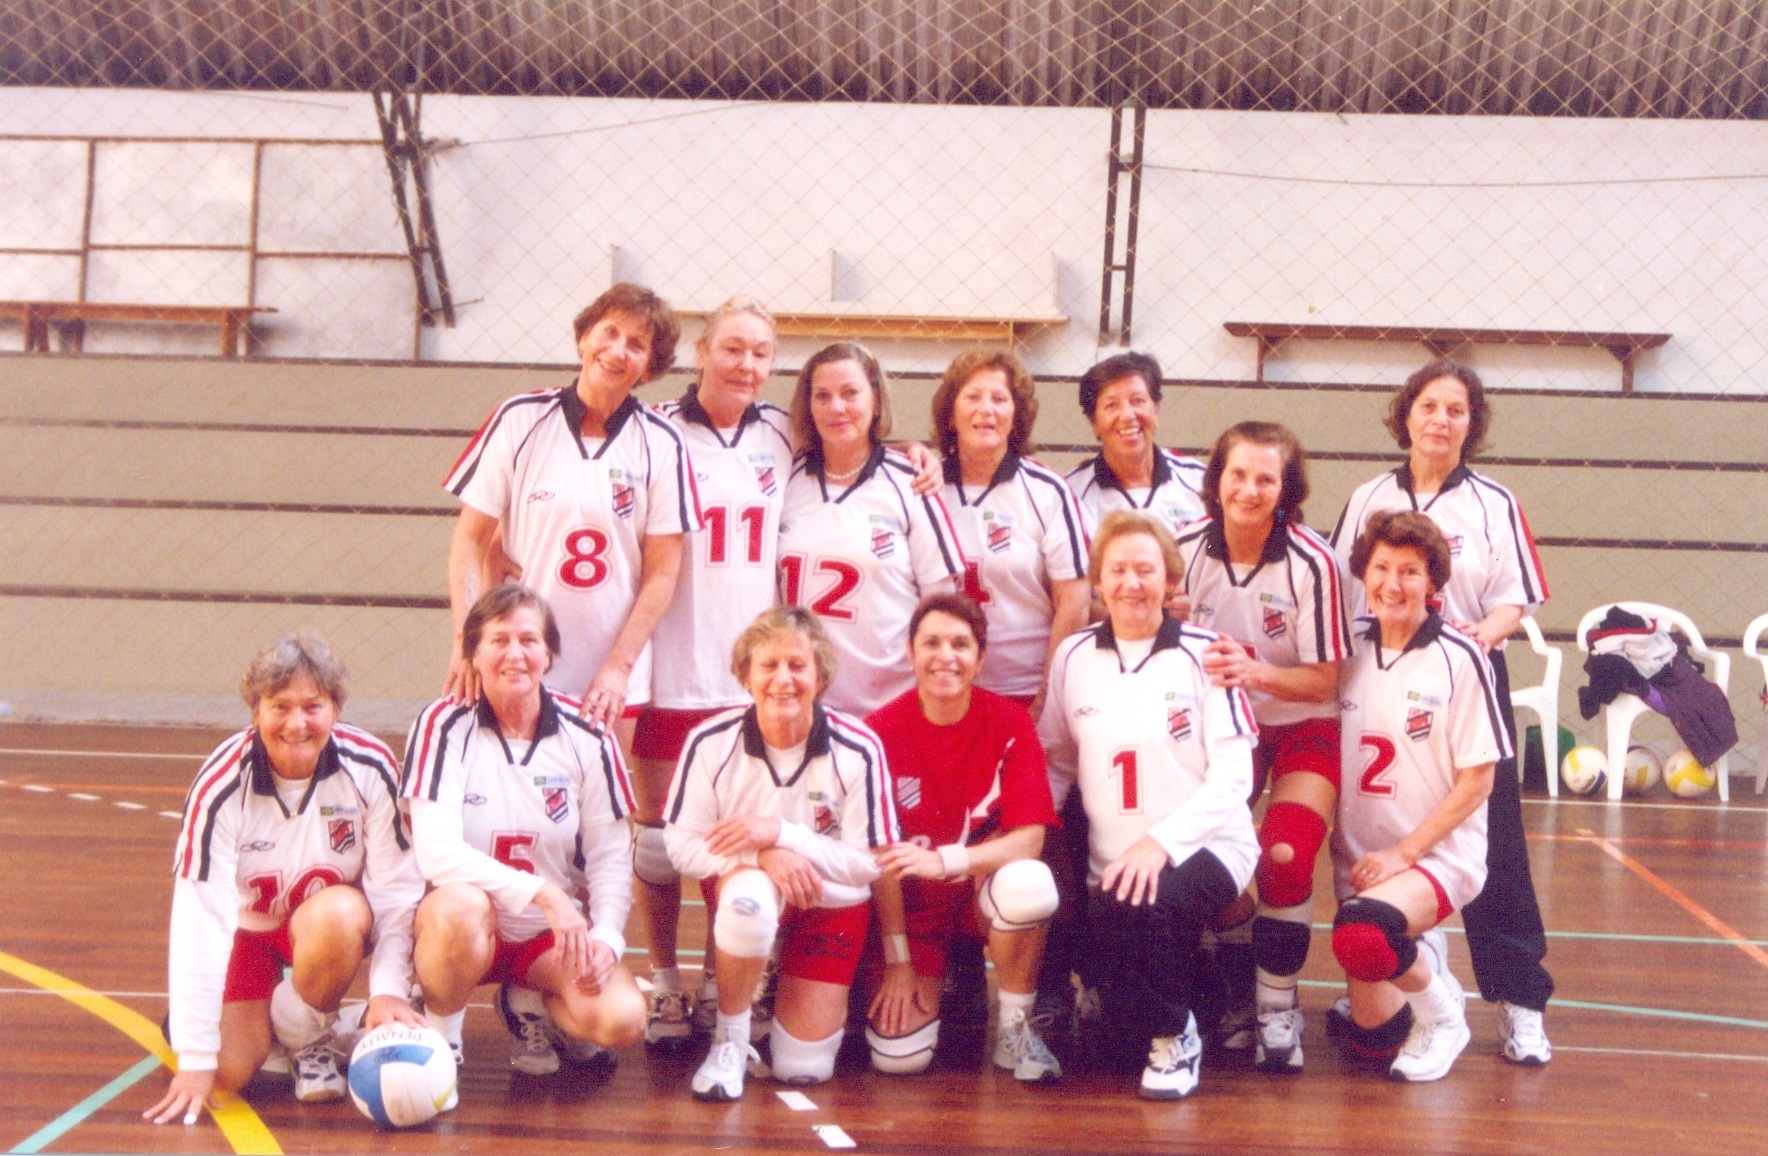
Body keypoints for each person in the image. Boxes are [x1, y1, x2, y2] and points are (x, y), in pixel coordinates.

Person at [1329, 359, 1554, 1065]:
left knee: (1495, 848)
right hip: (1383, 677)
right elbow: (1340, 589)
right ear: (1408, 415)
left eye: (1456, 410)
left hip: (1463, 680)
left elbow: (1516, 597)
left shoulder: (1493, 502)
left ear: (1470, 424)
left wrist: (1477, 639)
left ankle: (1521, 1002)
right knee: (1378, 819)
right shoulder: (1368, 496)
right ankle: (1410, 956)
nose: (1441, 420)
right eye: (1430, 406)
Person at [148, 633, 423, 1125]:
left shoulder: (371, 766)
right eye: (280, 707)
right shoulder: (220, 784)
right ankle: (298, 1027)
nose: (297, 724)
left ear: (335, 709)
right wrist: (193, 1056)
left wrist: (388, 989)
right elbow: (200, 918)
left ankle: (308, 1040)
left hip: (327, 928)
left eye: (313, 706)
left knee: (341, 911)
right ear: (255, 711)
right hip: (246, 933)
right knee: (226, 1075)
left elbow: (397, 892)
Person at [1038, 512, 1259, 1101]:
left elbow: (1234, 779)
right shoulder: (1073, 657)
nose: (1132, 583)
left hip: (1209, 845)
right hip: (1112, 861)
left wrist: (1159, 844)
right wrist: (1036, 838)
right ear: (1098, 581)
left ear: (1170, 579)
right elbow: (1057, 760)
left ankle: (1175, 1035)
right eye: (1118, 570)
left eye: (1146, 569)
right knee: (1112, 1026)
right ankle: (1198, 997)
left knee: (1141, 904)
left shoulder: (1207, 654)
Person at [403, 585, 646, 1086]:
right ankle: (442, 1042)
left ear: (549, 653)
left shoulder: (587, 732)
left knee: (622, 1018)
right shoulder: (442, 725)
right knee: (458, 907)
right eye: (499, 640)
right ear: (472, 653)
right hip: (471, 929)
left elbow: (610, 853)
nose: (515, 654)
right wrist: (542, 892)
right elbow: (437, 854)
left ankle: (528, 1000)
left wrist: (605, 938)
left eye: (529, 640)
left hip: (547, 938)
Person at [444, 282, 698, 747]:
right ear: (584, 337)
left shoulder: (661, 442)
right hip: (518, 662)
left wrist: (618, 668)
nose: (618, 351)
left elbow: (663, 574)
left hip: (611, 673)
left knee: (604, 812)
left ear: (648, 369)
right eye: (610, 331)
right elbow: (469, 541)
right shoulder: (520, 418)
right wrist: (468, 643)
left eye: (637, 345)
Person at [636, 297, 793, 1044]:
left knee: (733, 839)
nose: (746, 365)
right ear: (702, 350)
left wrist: (921, 456)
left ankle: (716, 981)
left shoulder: (788, 436)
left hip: (751, 680)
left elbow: (868, 449)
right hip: (671, 666)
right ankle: (663, 981)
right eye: (732, 348)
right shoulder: (654, 430)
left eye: (761, 353)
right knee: (658, 845)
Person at [663, 607, 898, 1101]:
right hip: (749, 890)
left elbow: (870, 862)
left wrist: (781, 833)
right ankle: (729, 1039)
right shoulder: (709, 742)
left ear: (821, 676)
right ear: (745, 675)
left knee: (803, 1069)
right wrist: (759, 858)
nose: (783, 680)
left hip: (830, 901)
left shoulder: (859, 748)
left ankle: (785, 979)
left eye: (797, 665)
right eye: (768, 666)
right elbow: (679, 846)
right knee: (749, 896)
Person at [1174, 422, 1350, 1073]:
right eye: (1238, 474)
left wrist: (1255, 674)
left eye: (1265, 478)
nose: (1249, 489)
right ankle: (1235, 986)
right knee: (1202, 857)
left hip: (1304, 721)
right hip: (1224, 730)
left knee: (1282, 853)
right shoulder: (1184, 550)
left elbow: (1324, 679)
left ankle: (1278, 1008)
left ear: (1286, 489)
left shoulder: (1314, 561)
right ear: (1217, 480)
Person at [1331, 510, 1506, 1083]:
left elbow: (1479, 780)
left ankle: (1445, 1018)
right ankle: (1422, 956)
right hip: (1362, 866)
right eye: (1381, 568)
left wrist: (1405, 854)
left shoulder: (1460, 657)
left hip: (1434, 857)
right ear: (1364, 575)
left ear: (1433, 583)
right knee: (1374, 1043)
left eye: (1410, 571)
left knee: (1363, 936)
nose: (1392, 584)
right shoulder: (1348, 651)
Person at [862, 594, 1063, 1082]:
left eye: (960, 644)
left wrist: (948, 861)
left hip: (978, 896)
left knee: (1031, 883)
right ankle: (931, 978)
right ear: (909, 654)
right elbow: (879, 859)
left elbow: (1029, 840)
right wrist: (898, 962)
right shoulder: (878, 732)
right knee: (899, 1058)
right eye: (931, 643)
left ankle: (1016, 1027)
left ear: (981, 657)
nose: (945, 656)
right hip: (915, 916)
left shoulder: (1010, 722)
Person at [778, 341, 965, 714]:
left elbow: (941, 605)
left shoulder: (911, 482)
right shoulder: (789, 478)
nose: (836, 407)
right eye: (823, 396)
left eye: (850, 393)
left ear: (875, 400)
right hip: (803, 704)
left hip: (892, 705)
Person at [931, 348, 1090, 713]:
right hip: (944, 686)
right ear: (951, 413)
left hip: (1024, 686)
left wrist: (1046, 696)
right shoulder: (925, 484)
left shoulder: (1046, 490)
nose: (986, 409)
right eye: (972, 397)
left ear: (1016, 417)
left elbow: (1075, 601)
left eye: (999, 399)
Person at [1063, 351, 1206, 540]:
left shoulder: (1200, 481)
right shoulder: (1071, 494)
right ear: (1094, 423)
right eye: (1112, 405)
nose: (1128, 415)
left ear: (1156, 411)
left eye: (1137, 401)